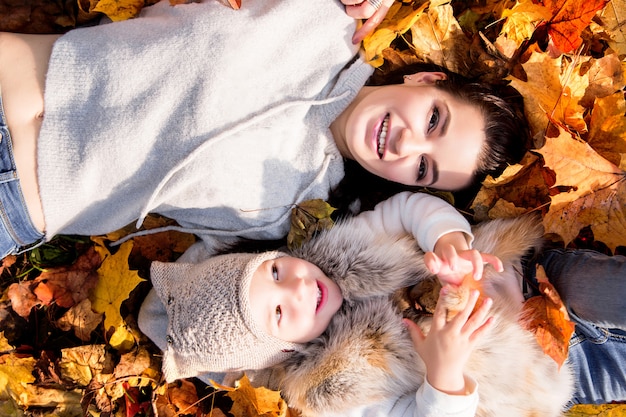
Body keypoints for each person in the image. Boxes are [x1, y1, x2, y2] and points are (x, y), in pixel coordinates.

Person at [0, 0, 529, 260]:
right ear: (426, 78)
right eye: (434, 119)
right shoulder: (319, 14)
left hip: (15, 209)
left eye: (424, 168)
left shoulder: (290, 217)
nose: (407, 144)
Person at [137, 196, 626, 416]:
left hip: (530, 274)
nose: (300, 287)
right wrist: (445, 378)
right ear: (283, 352)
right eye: (281, 314)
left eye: (276, 272)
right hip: (554, 365)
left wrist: (448, 239)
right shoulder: (334, 392)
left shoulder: (344, 249)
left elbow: (408, 209)